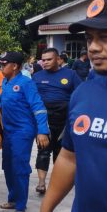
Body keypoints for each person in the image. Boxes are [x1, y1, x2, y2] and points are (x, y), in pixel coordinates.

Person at [37, 0, 107, 212]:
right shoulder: (83, 94)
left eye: (105, 38)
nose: (93, 47)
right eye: (89, 39)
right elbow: (69, 158)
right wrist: (46, 209)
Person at [0, 51, 49, 212]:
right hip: (9, 132)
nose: (1, 67)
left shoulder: (26, 83)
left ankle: (20, 206)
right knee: (8, 166)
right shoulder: (5, 82)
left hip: (23, 132)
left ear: (15, 66)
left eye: (4, 64)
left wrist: (42, 130)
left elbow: (38, 107)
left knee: (20, 168)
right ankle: (12, 198)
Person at [32, 48, 82, 195]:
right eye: (43, 59)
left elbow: (80, 94)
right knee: (43, 150)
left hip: (65, 119)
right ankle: (41, 183)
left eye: (49, 59)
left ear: (58, 59)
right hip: (44, 119)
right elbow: (31, 98)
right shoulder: (37, 76)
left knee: (60, 153)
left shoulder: (71, 75)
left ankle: (57, 182)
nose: (45, 62)